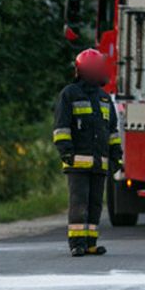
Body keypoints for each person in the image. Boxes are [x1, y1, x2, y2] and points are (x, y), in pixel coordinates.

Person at [53, 48, 123, 256]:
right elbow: (61, 127)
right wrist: (66, 152)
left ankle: (91, 243)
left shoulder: (103, 99)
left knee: (94, 206)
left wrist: (116, 155)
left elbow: (112, 131)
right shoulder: (70, 94)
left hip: (99, 163)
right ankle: (77, 244)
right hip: (77, 163)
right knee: (79, 204)